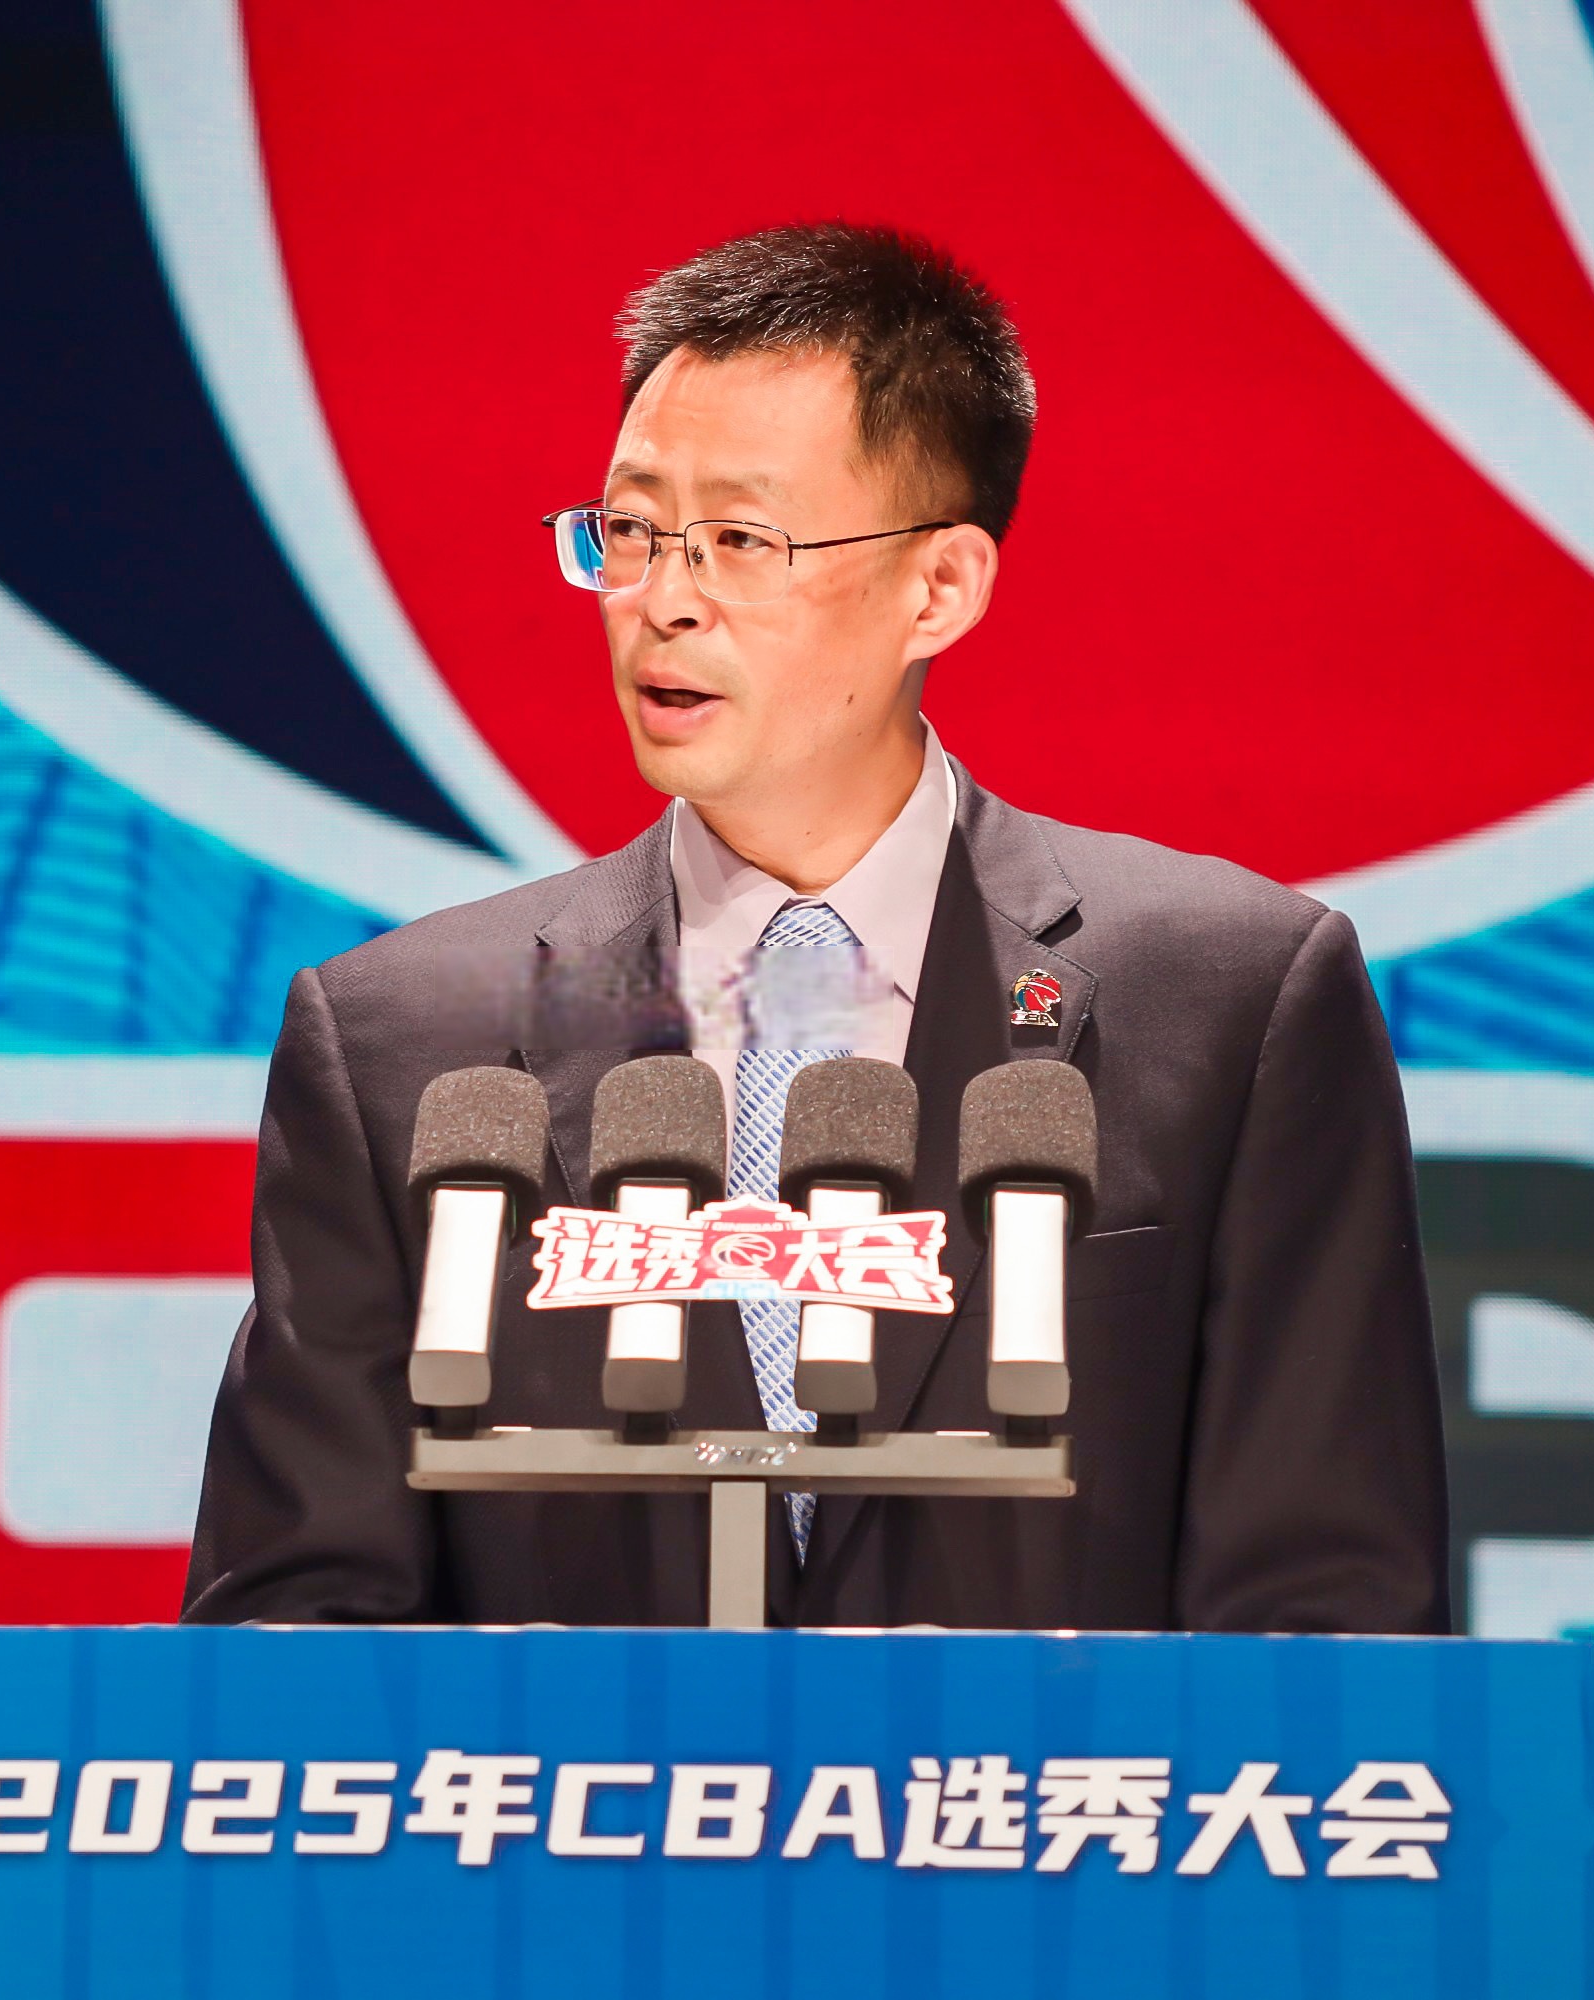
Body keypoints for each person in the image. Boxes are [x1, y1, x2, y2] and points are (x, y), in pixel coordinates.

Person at [182, 223, 1447, 1632]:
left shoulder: (1231, 1003)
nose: (663, 601)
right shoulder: (407, 1044)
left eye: (740, 540)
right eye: (632, 531)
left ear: (940, 587)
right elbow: (293, 1630)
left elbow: (1328, 1619)